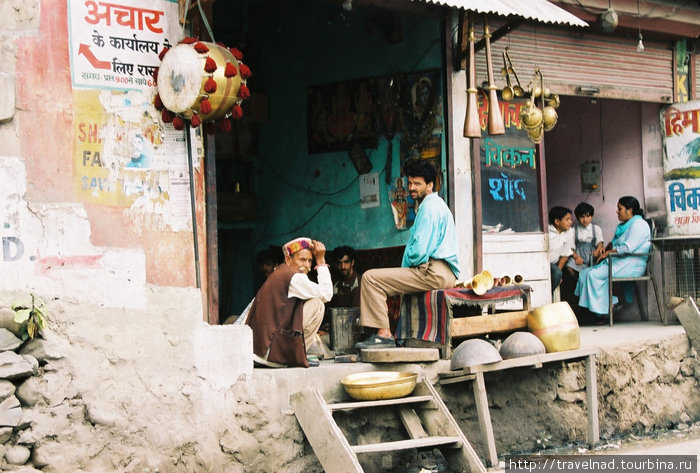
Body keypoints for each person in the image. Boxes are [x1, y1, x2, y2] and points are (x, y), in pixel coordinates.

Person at [355, 159, 459, 348]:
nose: (411, 188)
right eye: (410, 183)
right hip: (444, 273)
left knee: (371, 278)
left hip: (432, 272)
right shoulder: (438, 205)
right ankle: (396, 334)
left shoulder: (428, 209)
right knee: (383, 279)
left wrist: (407, 266)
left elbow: (419, 252)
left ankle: (384, 334)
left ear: (430, 185)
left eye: (417, 184)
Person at [245, 238, 332, 367]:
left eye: (310, 261)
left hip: (258, 351)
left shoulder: (280, 273)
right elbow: (327, 294)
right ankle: (295, 355)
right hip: (270, 354)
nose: (307, 265)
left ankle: (296, 353)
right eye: (302, 260)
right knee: (317, 304)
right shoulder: (294, 277)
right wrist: (320, 261)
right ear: (288, 260)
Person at [575, 196, 651, 324]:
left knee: (593, 275)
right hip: (621, 260)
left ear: (630, 210)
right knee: (584, 274)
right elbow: (618, 244)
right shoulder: (625, 225)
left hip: (632, 263)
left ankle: (604, 310)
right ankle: (598, 309)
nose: (617, 211)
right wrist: (607, 248)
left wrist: (608, 253)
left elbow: (628, 248)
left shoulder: (639, 225)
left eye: (619, 208)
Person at [566, 202, 605, 275]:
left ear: (592, 216)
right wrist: (576, 257)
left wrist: (597, 250)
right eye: (582, 217)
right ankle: (579, 282)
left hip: (592, 255)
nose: (585, 219)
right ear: (577, 217)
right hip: (579, 255)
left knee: (596, 270)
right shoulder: (573, 230)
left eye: (587, 216)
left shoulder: (596, 228)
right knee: (569, 266)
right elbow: (570, 246)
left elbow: (600, 242)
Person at [548, 206, 574, 294]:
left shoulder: (569, 232)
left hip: (553, 265)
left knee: (557, 273)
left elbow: (565, 254)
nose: (571, 222)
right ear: (557, 222)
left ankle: (547, 296)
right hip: (541, 264)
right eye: (567, 219)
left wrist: (558, 275)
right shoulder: (547, 232)